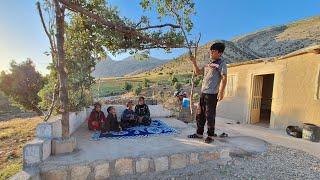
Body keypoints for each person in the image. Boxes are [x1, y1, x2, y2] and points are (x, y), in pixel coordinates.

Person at [188, 42, 228, 143]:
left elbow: (224, 77)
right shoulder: (208, 63)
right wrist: (194, 62)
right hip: (203, 93)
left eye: (213, 51)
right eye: (211, 50)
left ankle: (210, 135)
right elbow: (198, 72)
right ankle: (199, 133)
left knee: (210, 115)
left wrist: (221, 91)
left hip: (212, 94)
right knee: (200, 114)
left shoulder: (221, 63)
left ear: (220, 53)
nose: (211, 52)